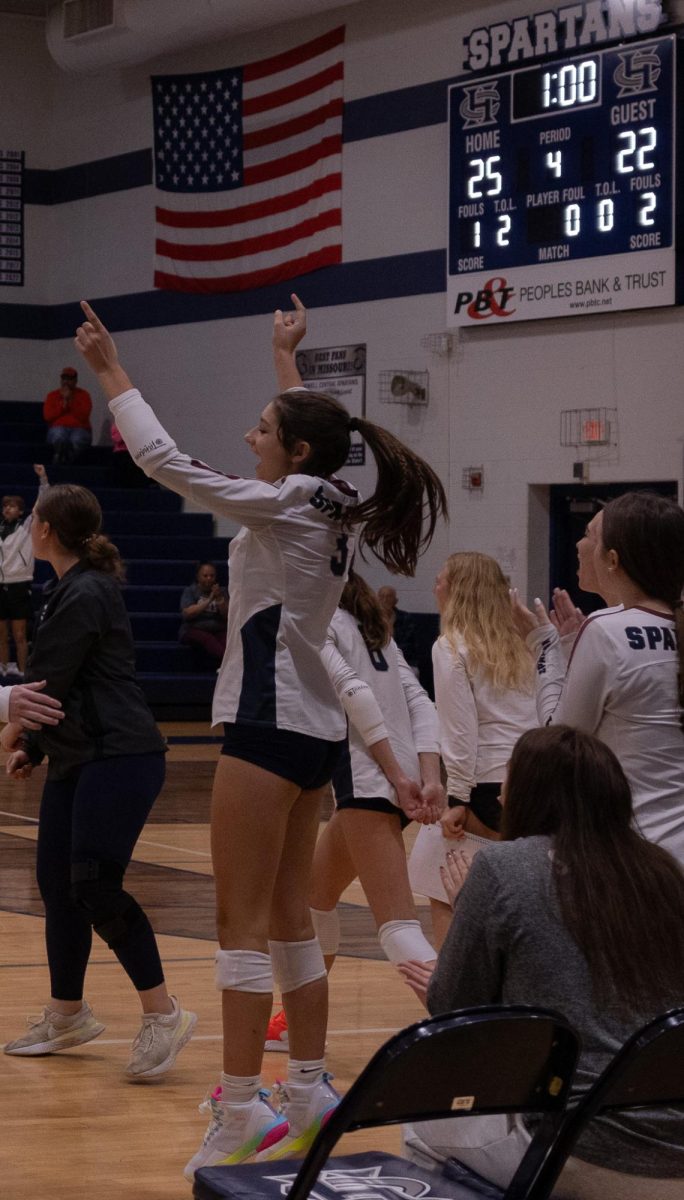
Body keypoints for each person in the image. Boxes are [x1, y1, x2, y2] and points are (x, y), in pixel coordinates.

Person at [73, 294, 447, 1178]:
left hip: (269, 721)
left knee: (238, 924)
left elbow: (162, 460)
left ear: (296, 452)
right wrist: (289, 360)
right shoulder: (332, 499)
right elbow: (319, 445)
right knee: (287, 921)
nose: (251, 435)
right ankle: (309, 1087)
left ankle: (241, 1109)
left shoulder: (287, 506)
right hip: (314, 731)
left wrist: (112, 372)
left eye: (263, 426)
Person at [400, 726, 684, 1199]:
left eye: (508, 779)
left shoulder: (501, 868)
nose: (502, 794)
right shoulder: (662, 872)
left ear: (531, 791)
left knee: (420, 1119)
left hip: (586, 1151)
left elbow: (455, 1015)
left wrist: (468, 912)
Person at [1, 483, 197, 1078]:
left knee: (93, 885)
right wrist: (33, 745)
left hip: (120, 754)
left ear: (46, 530)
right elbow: (66, 687)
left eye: (33, 519)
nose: (28, 527)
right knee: (57, 884)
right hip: (79, 755)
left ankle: (163, 1013)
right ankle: (68, 1013)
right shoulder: (67, 588)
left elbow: (48, 680)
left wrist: (13, 732)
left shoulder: (85, 590)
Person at [265, 569, 442, 1053]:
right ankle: (293, 1019)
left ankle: (467, 1027)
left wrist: (400, 779)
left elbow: (355, 696)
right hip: (387, 780)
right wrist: (428, 775)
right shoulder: (376, 631)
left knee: (399, 930)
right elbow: (421, 703)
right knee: (313, 902)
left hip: (368, 782)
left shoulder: (319, 624)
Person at [511, 491, 684, 863]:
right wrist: (573, 645)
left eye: (590, 534)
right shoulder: (650, 626)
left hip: (637, 856)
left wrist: (543, 645)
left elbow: (560, 740)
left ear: (613, 560)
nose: (578, 543)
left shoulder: (607, 629)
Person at [408, 553, 538, 946]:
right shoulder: (522, 645)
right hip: (534, 781)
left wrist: (457, 798)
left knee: (438, 879)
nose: (435, 585)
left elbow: (459, 730)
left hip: (485, 787)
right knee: (521, 894)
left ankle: (458, 1001)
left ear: (459, 590)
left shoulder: (450, 645)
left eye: (442, 578)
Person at [0, 463, 49, 677]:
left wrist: (43, 480)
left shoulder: (26, 527)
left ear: (20, 510)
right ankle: (3, 668)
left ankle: (22, 671)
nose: (7, 509)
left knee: (19, 634)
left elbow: (42, 505)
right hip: (1, 586)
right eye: (5, 506)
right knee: (1, 634)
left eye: (12, 506)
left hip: (19, 584)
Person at [179, 562, 229, 666]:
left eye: (212, 576)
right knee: (207, 638)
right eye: (205, 576)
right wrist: (210, 599)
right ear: (198, 576)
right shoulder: (191, 591)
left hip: (218, 629)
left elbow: (227, 616)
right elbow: (188, 613)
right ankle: (227, 664)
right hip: (194, 629)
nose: (209, 579)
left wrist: (219, 599)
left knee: (229, 640)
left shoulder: (222, 591)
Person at [43, 367, 92, 464]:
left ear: (75, 381)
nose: (66, 382)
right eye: (64, 379)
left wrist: (70, 401)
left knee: (77, 439)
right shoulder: (52, 395)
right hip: (58, 427)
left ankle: (64, 461)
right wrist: (63, 405)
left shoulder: (84, 395)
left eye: (69, 379)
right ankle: (62, 459)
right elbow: (48, 416)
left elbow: (84, 415)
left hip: (80, 428)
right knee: (59, 436)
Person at [377, 584, 418, 670]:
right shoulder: (371, 619)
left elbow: (408, 646)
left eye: (389, 597)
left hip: (403, 660)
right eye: (382, 596)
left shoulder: (405, 618)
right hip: (378, 660)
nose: (385, 600)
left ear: (395, 601)